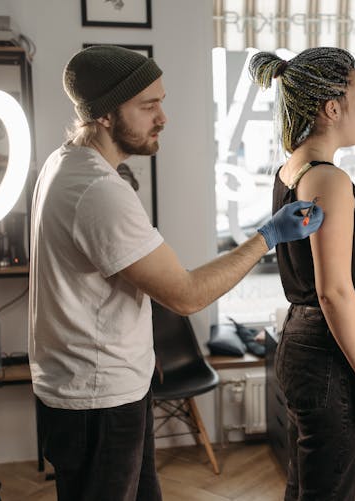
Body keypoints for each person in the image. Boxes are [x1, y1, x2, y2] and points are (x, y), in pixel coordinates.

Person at [28, 45, 323, 501]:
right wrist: (268, 236)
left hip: (98, 387)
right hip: (98, 400)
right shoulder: (98, 191)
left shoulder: (63, 162)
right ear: (105, 115)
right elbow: (185, 296)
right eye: (148, 106)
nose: (162, 118)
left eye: (160, 101)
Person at [249, 47, 355, 500]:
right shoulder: (328, 179)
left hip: (305, 342)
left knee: (307, 485)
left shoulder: (294, 169)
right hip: (331, 354)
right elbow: (333, 291)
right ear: (332, 108)